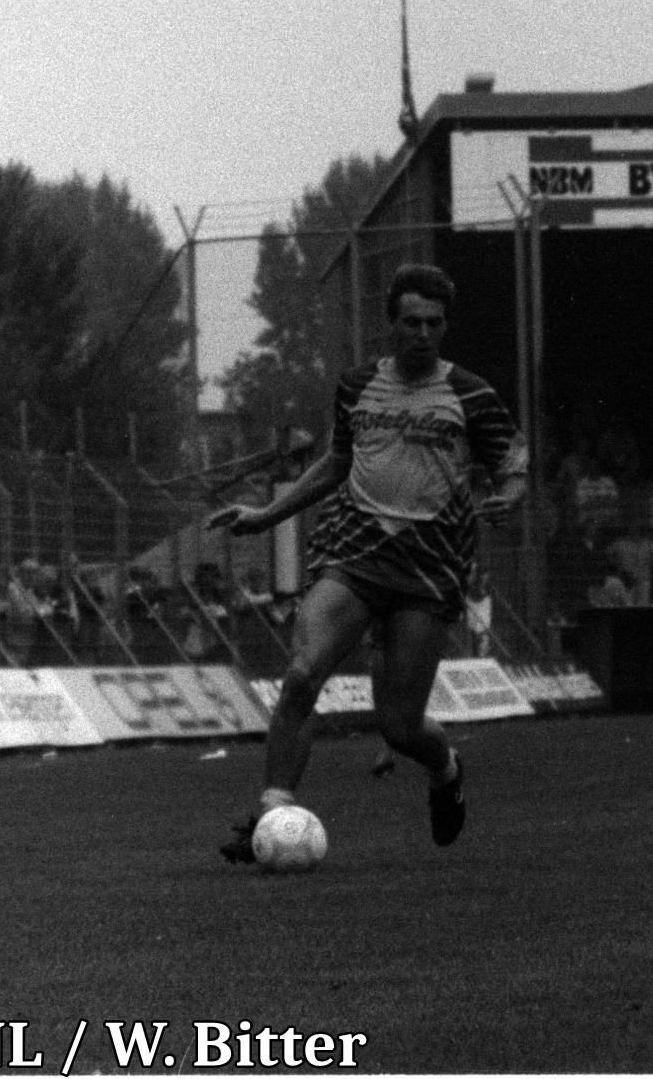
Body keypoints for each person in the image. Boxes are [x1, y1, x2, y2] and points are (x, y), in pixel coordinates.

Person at [210, 264, 528, 861]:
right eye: (411, 322)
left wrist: (508, 496)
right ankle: (272, 810)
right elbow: (334, 464)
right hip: (353, 550)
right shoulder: (357, 386)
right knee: (303, 674)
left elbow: (512, 462)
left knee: (400, 728)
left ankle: (447, 769)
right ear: (391, 325)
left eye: (434, 323)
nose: (423, 334)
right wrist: (267, 514)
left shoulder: (470, 394)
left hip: (429, 568)